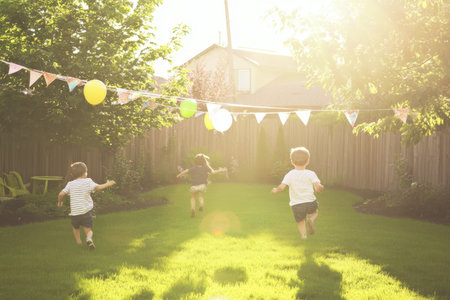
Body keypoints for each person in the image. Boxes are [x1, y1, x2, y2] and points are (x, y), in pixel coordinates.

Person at [57, 162, 115, 249]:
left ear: (72, 175)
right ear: (85, 174)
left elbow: (61, 194)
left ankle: (78, 242)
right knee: (89, 230)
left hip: (75, 214)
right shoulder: (88, 181)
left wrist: (59, 202)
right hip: (86, 213)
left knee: (75, 228)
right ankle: (88, 239)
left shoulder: (70, 184)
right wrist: (107, 184)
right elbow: (98, 187)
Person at [271, 147, 324, 239]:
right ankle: (311, 220)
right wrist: (320, 187)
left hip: (297, 204)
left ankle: (304, 236)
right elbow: (317, 187)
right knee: (315, 212)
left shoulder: (290, 174)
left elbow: (282, 187)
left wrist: (276, 190)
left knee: (301, 221)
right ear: (308, 161)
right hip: (310, 202)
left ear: (292, 162)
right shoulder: (311, 173)